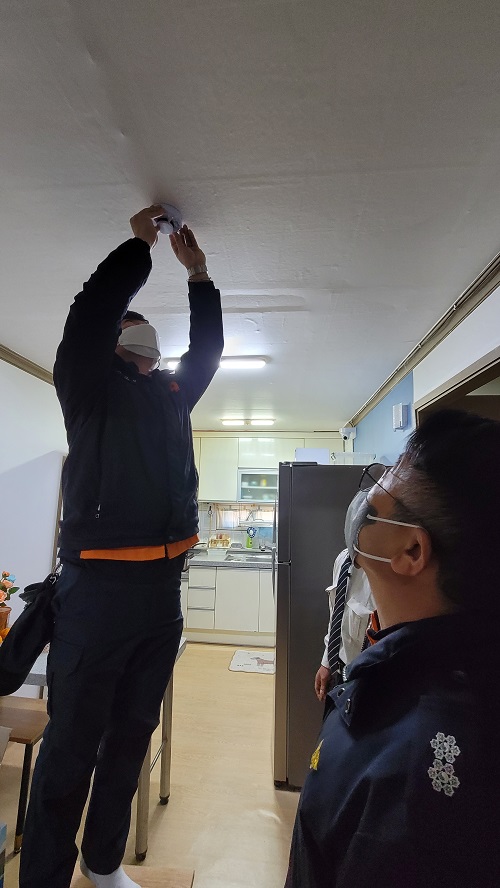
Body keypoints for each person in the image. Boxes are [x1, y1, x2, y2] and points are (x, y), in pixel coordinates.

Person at [20, 206, 224, 888]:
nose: (141, 330)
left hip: (161, 597)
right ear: (113, 341)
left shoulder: (172, 395)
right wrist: (139, 249)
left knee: (131, 737)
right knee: (70, 751)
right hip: (96, 596)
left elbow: (208, 353)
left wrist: (200, 277)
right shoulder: (87, 388)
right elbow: (88, 312)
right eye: (130, 324)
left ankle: (103, 863)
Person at [286, 409, 500, 888]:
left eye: (376, 499)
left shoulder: (410, 781)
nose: (360, 506)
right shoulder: (407, 683)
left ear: (411, 552)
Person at [314, 546, 374, 703]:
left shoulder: (380, 570)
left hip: (366, 680)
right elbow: (336, 614)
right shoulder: (343, 559)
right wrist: (327, 662)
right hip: (339, 673)